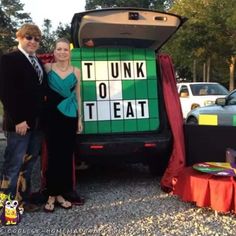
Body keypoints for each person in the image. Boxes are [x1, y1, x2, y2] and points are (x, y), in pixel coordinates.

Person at [0, 24, 47, 212]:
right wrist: (19, 119)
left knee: (27, 166)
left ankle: (23, 202)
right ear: (19, 37)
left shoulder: (38, 62)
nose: (33, 41)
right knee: (13, 167)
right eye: (29, 37)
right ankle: (7, 210)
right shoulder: (8, 59)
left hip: (37, 125)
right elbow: (6, 92)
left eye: (36, 39)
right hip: (18, 125)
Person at [43, 38, 83, 212]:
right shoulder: (48, 68)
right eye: (58, 49)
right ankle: (51, 194)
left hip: (69, 117)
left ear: (69, 52)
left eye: (65, 49)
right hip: (52, 117)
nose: (62, 52)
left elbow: (78, 96)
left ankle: (61, 194)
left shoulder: (76, 71)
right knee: (53, 155)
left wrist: (80, 119)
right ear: (54, 51)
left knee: (66, 157)